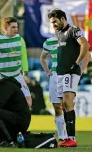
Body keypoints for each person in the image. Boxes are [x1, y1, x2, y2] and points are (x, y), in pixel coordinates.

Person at [48, 9, 89, 147]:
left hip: (71, 72)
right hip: (61, 73)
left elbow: (85, 45)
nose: (53, 24)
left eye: (55, 21)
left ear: (63, 19)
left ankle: (72, 138)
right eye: (51, 22)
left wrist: (77, 64)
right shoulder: (58, 33)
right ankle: (67, 138)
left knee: (67, 102)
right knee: (64, 105)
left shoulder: (74, 30)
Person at [0, 17, 32, 108]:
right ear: (5, 28)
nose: (16, 29)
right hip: (4, 77)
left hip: (17, 76)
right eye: (13, 27)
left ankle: (15, 118)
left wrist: (25, 73)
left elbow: (23, 57)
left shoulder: (19, 39)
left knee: (28, 102)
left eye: (17, 27)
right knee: (7, 103)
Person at [40, 36, 68, 144]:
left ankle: (69, 136)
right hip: (55, 75)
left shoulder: (71, 39)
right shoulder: (49, 42)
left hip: (67, 75)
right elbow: (42, 58)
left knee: (67, 106)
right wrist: (47, 71)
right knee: (57, 107)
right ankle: (61, 136)